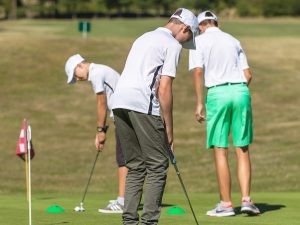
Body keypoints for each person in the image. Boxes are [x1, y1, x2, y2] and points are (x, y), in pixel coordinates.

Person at [111, 8, 198, 225]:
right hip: (142, 104)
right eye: (190, 37)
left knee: (135, 165)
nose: (187, 43)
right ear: (185, 28)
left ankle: (129, 222)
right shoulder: (172, 44)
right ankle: (149, 222)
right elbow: (165, 88)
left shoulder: (144, 37)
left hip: (119, 103)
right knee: (158, 165)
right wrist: (169, 128)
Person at [189, 10, 260, 217]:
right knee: (242, 148)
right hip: (240, 91)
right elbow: (248, 75)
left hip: (217, 94)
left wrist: (199, 103)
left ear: (201, 26)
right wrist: (236, 90)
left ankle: (226, 204)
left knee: (221, 149)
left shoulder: (198, 42)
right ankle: (247, 200)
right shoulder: (233, 39)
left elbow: (198, 71)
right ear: (216, 23)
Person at [64, 54, 128, 213]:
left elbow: (101, 101)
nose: (77, 80)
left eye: (75, 76)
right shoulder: (100, 70)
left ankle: (122, 202)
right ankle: (126, 198)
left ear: (80, 66)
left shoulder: (96, 73)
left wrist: (100, 131)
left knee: (123, 159)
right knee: (126, 158)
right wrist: (103, 130)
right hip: (124, 114)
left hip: (123, 115)